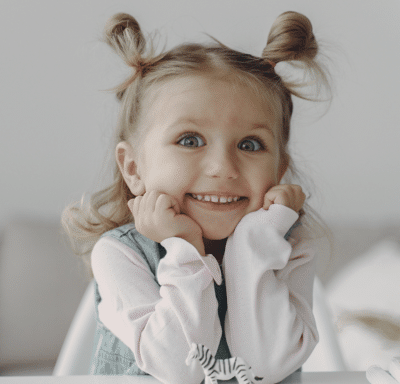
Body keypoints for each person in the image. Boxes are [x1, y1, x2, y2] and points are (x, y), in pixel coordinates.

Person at [62, 10, 331, 384]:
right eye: (190, 140)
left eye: (250, 144)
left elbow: (264, 368)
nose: (222, 167)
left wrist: (252, 245)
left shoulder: (288, 247)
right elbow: (179, 370)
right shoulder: (119, 255)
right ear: (134, 168)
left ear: (278, 170)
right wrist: (184, 247)